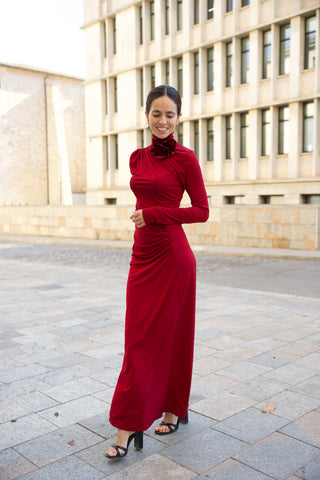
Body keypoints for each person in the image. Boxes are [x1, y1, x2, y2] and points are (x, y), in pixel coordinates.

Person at [105, 85, 209, 459]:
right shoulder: (136, 157)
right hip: (142, 255)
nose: (162, 121)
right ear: (146, 115)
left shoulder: (186, 158)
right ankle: (137, 418)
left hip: (174, 257)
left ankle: (165, 413)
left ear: (179, 118)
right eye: (156, 113)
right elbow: (144, 198)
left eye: (170, 114)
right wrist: (144, 220)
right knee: (138, 340)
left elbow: (200, 211)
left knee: (174, 336)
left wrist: (154, 215)